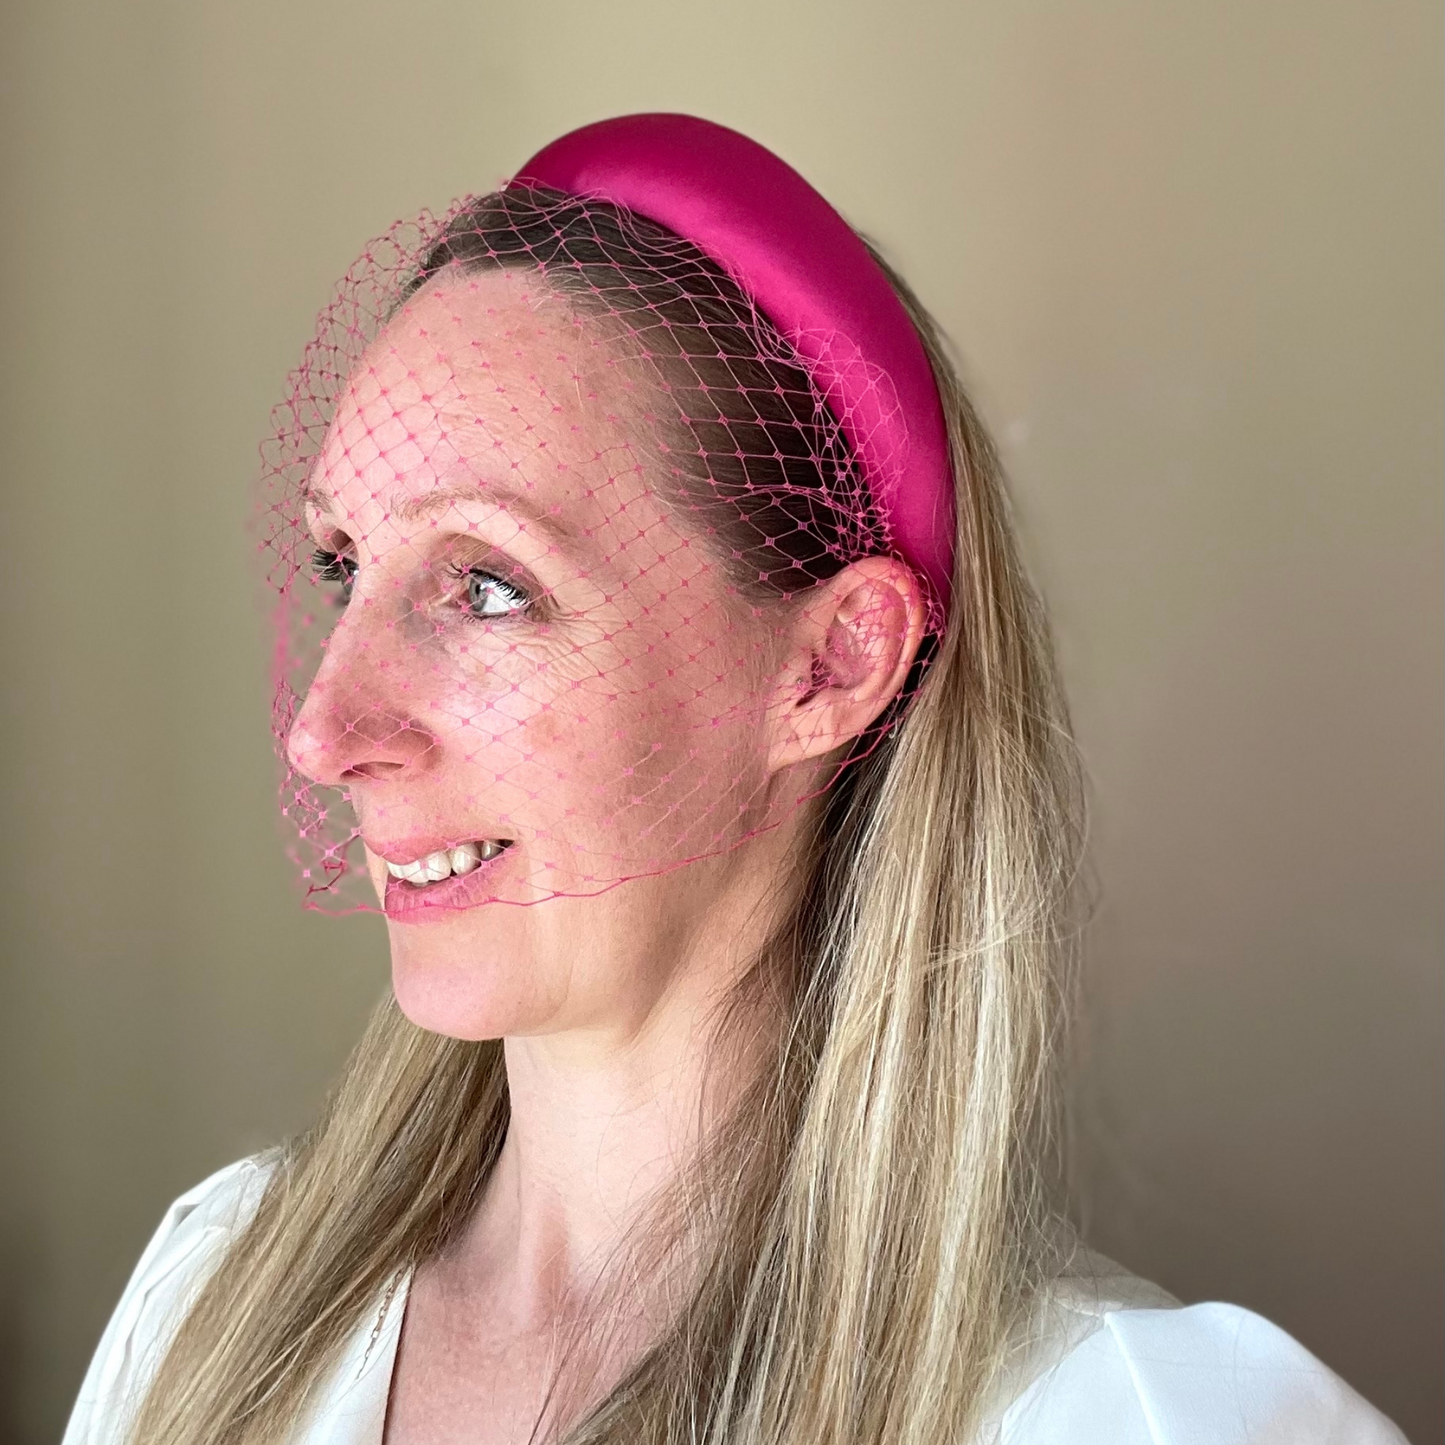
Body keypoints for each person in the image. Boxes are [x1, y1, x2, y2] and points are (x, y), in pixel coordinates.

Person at [62, 114, 1407, 1445]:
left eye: (484, 585)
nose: (323, 729)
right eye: (345, 568)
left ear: (830, 665)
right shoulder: (216, 1292)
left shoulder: (1135, 1420)